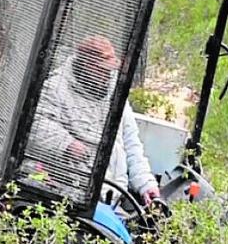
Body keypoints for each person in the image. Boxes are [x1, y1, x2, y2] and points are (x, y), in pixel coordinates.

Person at [29, 35, 160, 207]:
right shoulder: (56, 88)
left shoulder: (116, 93)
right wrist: (66, 144)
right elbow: (37, 124)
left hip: (113, 195)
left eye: (110, 69)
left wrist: (145, 184)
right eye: (103, 69)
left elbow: (131, 144)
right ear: (87, 65)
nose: (108, 74)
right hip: (70, 193)